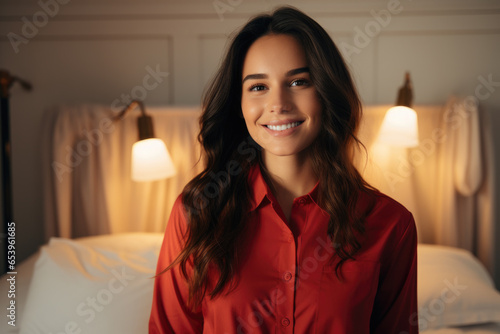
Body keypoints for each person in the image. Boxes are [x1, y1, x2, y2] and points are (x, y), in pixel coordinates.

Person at [149, 6, 418, 334]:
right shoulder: (197, 212)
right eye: (258, 87)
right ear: (240, 104)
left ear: (325, 92)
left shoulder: (390, 224)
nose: (278, 103)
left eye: (298, 81)